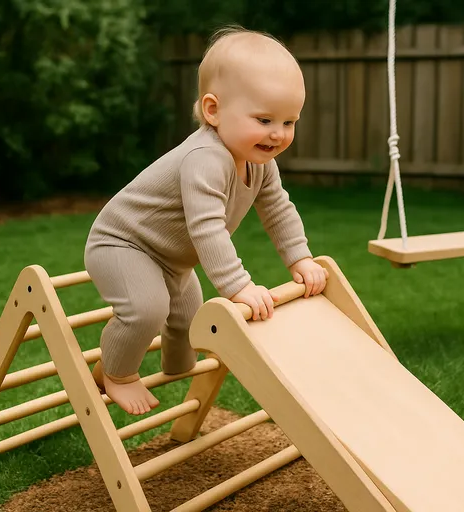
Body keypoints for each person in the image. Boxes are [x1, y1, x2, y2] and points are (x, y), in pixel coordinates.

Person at [84, 26, 328, 416]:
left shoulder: (259, 163)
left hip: (171, 256)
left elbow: (279, 209)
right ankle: (115, 373)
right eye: (265, 120)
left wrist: (300, 258)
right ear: (213, 110)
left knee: (188, 319)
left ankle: (175, 366)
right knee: (147, 309)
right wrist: (238, 286)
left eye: (289, 122)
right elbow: (206, 229)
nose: (278, 134)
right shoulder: (205, 158)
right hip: (124, 243)